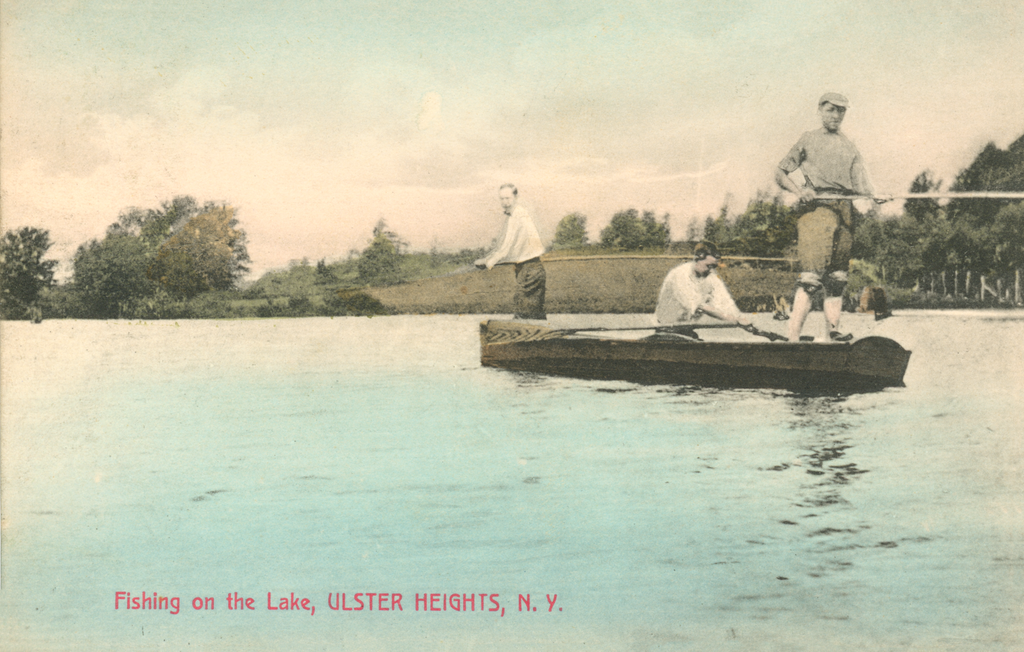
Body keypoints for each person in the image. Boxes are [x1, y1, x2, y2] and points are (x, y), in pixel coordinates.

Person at [775, 92, 878, 342]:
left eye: (841, 111)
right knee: (811, 278)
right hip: (817, 210)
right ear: (820, 110)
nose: (836, 115)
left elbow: (862, 186)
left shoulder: (849, 145)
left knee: (837, 279)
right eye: (831, 110)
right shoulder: (808, 139)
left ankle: (832, 332)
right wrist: (800, 191)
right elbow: (780, 173)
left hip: (845, 210)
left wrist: (877, 196)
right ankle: (792, 338)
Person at [475, 184, 547, 320]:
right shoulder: (516, 215)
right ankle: (542, 338)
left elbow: (505, 248)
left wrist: (487, 262)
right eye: (502, 199)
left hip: (531, 269)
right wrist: (488, 259)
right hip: (526, 269)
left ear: (516, 198)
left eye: (508, 198)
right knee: (532, 312)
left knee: (524, 311)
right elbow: (502, 247)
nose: (505, 202)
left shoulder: (517, 215)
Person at [655, 242, 750, 326]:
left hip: (686, 328)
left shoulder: (711, 276)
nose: (711, 270)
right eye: (708, 266)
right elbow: (696, 305)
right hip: (665, 327)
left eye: (714, 266)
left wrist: (741, 318)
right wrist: (732, 319)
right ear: (697, 259)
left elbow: (725, 301)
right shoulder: (680, 274)